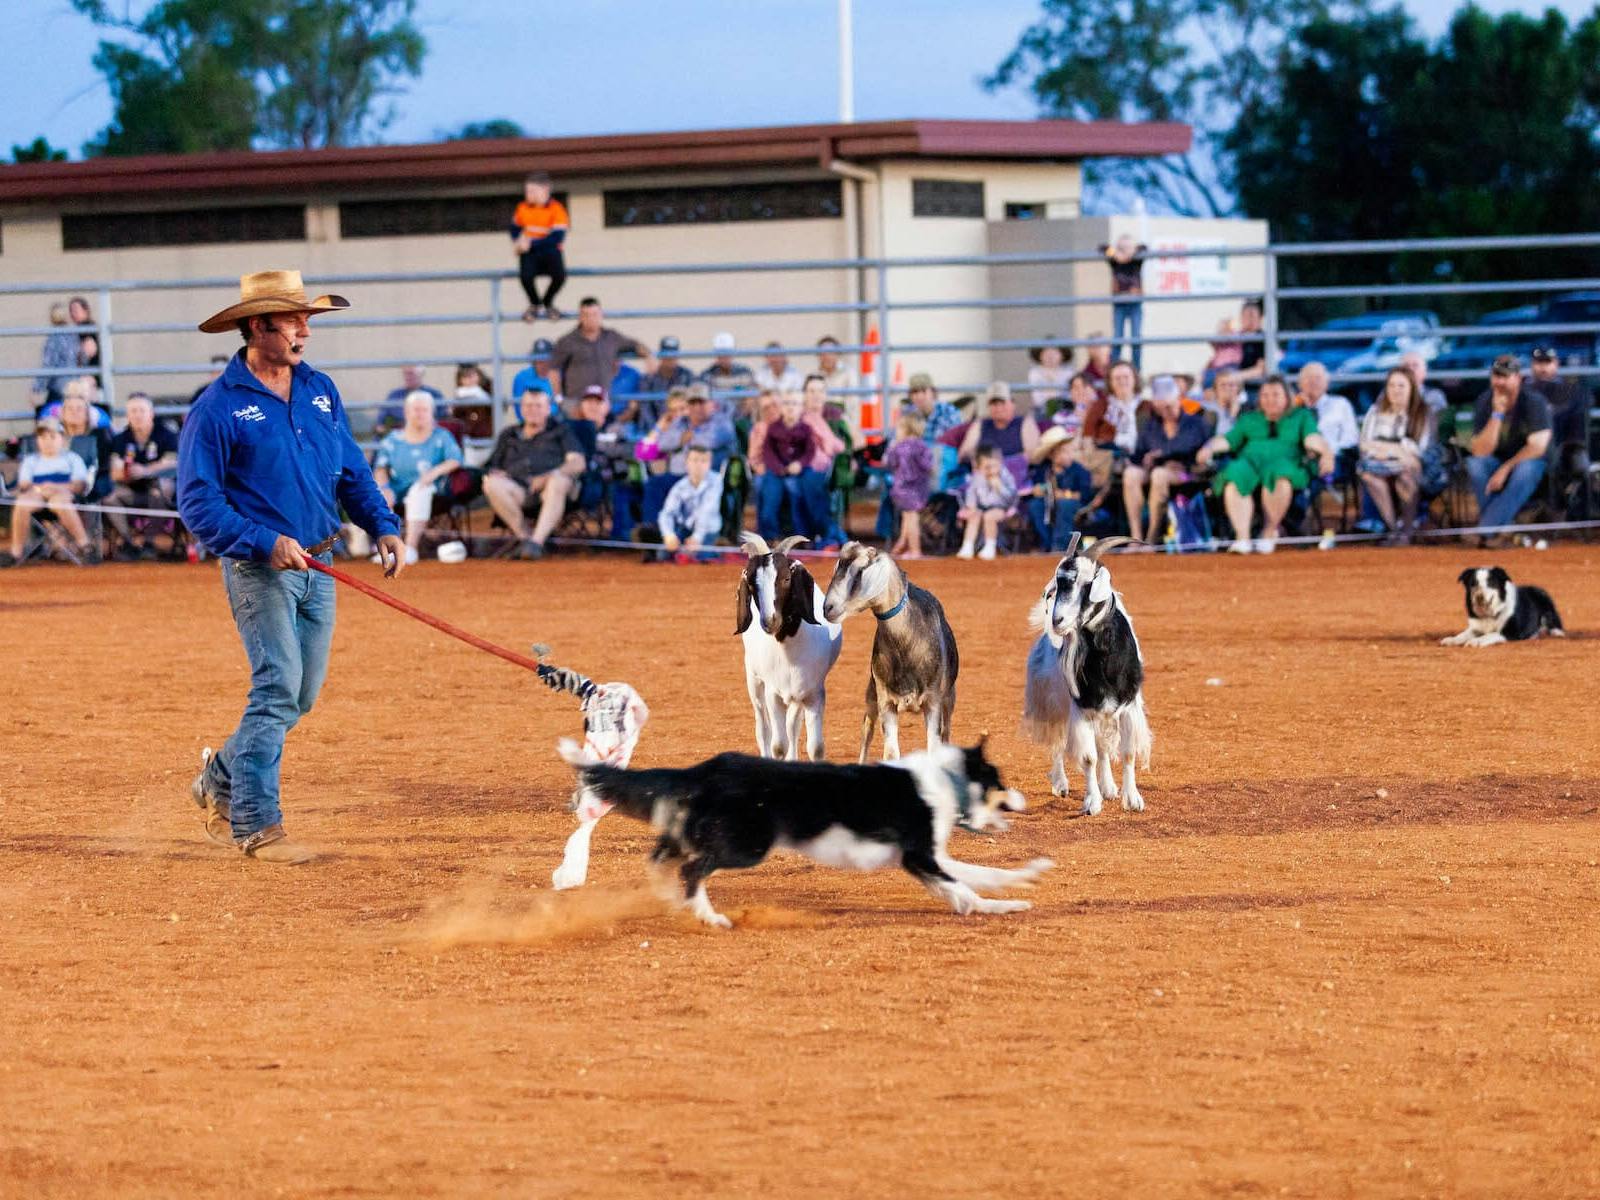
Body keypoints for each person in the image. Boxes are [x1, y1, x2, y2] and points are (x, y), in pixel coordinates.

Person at [178, 269, 406, 864]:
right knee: (279, 686)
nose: (305, 330)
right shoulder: (218, 408)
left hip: (321, 561)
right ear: (258, 325)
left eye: (308, 319)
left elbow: (350, 469)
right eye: (294, 320)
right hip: (261, 570)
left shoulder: (319, 389)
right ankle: (255, 823)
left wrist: (381, 523)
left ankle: (217, 780)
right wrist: (260, 540)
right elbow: (198, 504)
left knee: (298, 697)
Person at [1197, 374, 1333, 555]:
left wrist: (1326, 453)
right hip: (1251, 463)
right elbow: (1229, 440)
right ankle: (1242, 537)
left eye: (1276, 395)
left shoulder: (1301, 416)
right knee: (1236, 473)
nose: (1270, 400)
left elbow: (1312, 439)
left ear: (1286, 396)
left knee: (1279, 473)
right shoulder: (1249, 418)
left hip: (1286, 463)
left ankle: (1268, 532)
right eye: (1265, 395)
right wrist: (1208, 448)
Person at [481, 390, 585, 559]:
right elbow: (490, 466)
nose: (533, 410)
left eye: (538, 406)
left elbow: (578, 462)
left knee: (558, 481)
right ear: (521, 409)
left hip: (553, 491)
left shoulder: (561, 431)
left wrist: (549, 476)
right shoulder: (509, 434)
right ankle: (525, 539)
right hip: (519, 489)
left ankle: (537, 542)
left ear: (548, 409)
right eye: (528, 405)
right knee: (491, 483)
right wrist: (497, 473)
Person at [1466, 355, 1552, 545]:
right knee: (1475, 465)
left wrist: (1505, 469)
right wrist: (1497, 414)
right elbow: (1479, 451)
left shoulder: (1533, 401)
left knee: (1525, 469)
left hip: (1530, 462)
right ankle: (1502, 528)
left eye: (1506, 376)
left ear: (1518, 377)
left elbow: (1538, 446)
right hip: (1495, 462)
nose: (1500, 382)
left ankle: (1486, 530)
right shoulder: (1484, 401)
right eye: (1496, 376)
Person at [373, 390, 464, 565]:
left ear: (432, 413)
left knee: (419, 491)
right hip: (397, 489)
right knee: (379, 495)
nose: (420, 414)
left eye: (424, 410)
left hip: (431, 489)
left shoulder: (442, 436)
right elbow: (380, 468)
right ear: (407, 412)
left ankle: (410, 548)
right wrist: (384, 488)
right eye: (416, 409)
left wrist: (433, 473)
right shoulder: (392, 439)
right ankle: (390, 549)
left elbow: (455, 460)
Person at [1123, 376, 1207, 544]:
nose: (1166, 411)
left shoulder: (1195, 421)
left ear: (1178, 400)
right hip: (1154, 469)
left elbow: (1189, 448)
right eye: (1161, 408)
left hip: (1186, 473)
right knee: (1131, 474)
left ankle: (1152, 537)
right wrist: (1143, 459)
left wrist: (1160, 455)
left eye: (1169, 406)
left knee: (1159, 475)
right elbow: (1140, 451)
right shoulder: (1151, 424)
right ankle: (1136, 536)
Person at [1, 416, 94, 567]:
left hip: (64, 497)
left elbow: (79, 485)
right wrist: (42, 490)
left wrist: (58, 488)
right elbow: (24, 484)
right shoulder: (31, 461)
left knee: (59, 502)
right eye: (43, 437)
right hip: (37, 497)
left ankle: (85, 546)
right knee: (22, 503)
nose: (47, 441)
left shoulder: (72, 459)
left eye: (52, 436)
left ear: (62, 439)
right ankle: (16, 552)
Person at [643, 383, 737, 526]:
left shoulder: (722, 422)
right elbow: (661, 443)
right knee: (654, 483)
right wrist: (681, 439)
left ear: (711, 404)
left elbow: (708, 442)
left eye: (701, 402)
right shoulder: (680, 422)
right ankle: (653, 530)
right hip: (678, 476)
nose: (697, 407)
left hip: (709, 478)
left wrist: (686, 438)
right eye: (693, 403)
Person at [1357, 367, 1431, 544]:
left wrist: (1385, 448)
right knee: (1369, 476)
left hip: (1413, 468)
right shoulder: (1375, 412)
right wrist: (1397, 449)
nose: (1396, 390)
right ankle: (1393, 528)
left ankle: (1406, 530)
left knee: (1406, 476)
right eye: (1391, 385)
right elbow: (1364, 444)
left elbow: (1419, 450)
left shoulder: (1422, 413)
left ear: (1411, 388)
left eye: (1401, 385)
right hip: (1378, 467)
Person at [104, 391, 180, 560]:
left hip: (161, 492)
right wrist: (124, 474)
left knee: (160, 487)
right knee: (109, 497)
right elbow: (115, 468)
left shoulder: (167, 435)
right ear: (127, 415)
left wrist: (145, 471)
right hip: (132, 491)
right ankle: (129, 542)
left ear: (151, 414)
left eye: (141, 410)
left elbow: (171, 463)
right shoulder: (121, 439)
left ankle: (149, 543)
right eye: (133, 411)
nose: (137, 415)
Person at [549, 298, 654, 412]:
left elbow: (635, 345)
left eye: (594, 314)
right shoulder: (567, 341)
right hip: (575, 403)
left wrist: (649, 357)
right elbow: (553, 370)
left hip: (602, 402)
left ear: (601, 315)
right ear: (580, 317)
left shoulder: (612, 337)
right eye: (586, 315)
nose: (591, 319)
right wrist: (559, 399)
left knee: (606, 429)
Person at [635, 443, 723, 563]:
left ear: (710, 464)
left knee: (702, 557)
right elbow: (666, 513)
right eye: (695, 460)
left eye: (704, 461)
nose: (699, 465)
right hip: (684, 529)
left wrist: (696, 538)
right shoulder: (680, 486)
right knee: (663, 555)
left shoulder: (716, 481)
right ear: (687, 463)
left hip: (708, 531)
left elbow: (706, 512)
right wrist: (669, 535)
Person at [756, 391, 820, 542]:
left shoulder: (806, 429)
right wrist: (778, 468)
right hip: (776, 471)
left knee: (799, 496)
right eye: (786, 403)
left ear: (801, 408)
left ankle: (801, 537)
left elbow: (810, 451)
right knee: (770, 499)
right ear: (781, 407)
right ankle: (770, 536)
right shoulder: (773, 428)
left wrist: (800, 464)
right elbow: (768, 451)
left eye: (795, 404)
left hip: (799, 472)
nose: (790, 408)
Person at [510, 172, 570, 321]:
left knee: (560, 276)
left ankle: (548, 303)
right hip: (530, 253)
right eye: (527, 191)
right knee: (525, 277)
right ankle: (535, 304)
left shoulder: (556, 209)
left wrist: (530, 244)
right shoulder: (522, 207)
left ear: (545, 190)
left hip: (549, 251)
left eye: (531, 191)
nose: (527, 194)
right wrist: (518, 241)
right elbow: (514, 228)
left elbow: (557, 237)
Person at [1027, 426, 1095, 552]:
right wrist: (1038, 490)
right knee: (1035, 505)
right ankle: (1046, 542)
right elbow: (1036, 487)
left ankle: (1060, 546)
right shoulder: (1044, 470)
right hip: (1049, 504)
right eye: (1060, 451)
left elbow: (1086, 494)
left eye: (1066, 451)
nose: (1065, 455)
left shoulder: (1078, 470)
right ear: (1051, 455)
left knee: (1065, 505)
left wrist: (1065, 495)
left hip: (1073, 504)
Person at [959, 382, 1041, 476]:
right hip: (981, 476)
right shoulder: (980, 424)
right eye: (994, 404)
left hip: (1015, 476)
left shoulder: (1025, 423)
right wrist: (976, 461)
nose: (998, 408)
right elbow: (964, 452)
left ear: (1012, 403)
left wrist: (999, 466)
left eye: (1002, 403)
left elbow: (1033, 455)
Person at [883, 412, 933, 558]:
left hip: (901, 488)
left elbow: (890, 463)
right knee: (912, 517)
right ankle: (915, 550)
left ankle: (905, 546)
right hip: (916, 489)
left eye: (899, 428)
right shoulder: (922, 446)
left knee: (908, 517)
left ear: (906, 429)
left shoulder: (898, 447)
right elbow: (928, 465)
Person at [956, 445, 1018, 560]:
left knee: (990, 516)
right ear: (979, 467)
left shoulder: (1005, 476)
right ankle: (967, 546)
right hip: (981, 507)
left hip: (1001, 508)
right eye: (987, 467)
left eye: (994, 466)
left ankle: (990, 547)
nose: (991, 470)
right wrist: (971, 506)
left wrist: (999, 487)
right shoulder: (978, 477)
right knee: (974, 516)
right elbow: (971, 492)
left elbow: (1012, 497)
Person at [1100, 235, 1148, 369]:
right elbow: (1102, 248)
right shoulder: (1114, 261)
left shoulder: (1137, 261)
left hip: (1135, 303)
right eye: (1122, 247)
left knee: (1136, 337)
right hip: (1119, 303)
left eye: (1128, 247)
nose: (1125, 250)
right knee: (1117, 337)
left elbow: (1144, 247)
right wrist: (1115, 253)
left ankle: (1136, 370)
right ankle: (1114, 367)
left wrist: (1131, 253)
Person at [1296, 362, 1358, 456]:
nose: (1313, 382)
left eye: (1318, 378)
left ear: (1327, 382)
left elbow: (1350, 439)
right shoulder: (1293, 408)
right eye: (1308, 378)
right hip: (1300, 460)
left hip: (1334, 458)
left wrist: (1326, 452)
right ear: (1299, 384)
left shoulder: (1340, 404)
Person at [635, 335, 695, 425]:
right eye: (666, 353)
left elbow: (692, 405)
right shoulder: (649, 378)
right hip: (656, 427)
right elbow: (645, 408)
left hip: (682, 425)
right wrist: (657, 429)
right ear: (660, 354)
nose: (670, 357)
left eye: (673, 353)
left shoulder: (687, 376)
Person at [32, 302, 79, 407]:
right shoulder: (74, 336)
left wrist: (37, 388)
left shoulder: (54, 337)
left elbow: (48, 365)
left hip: (59, 389)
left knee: (49, 416)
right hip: (74, 387)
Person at [699, 331, 757, 411]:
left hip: (741, 418)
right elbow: (704, 402)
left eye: (727, 353)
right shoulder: (707, 376)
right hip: (716, 419)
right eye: (720, 353)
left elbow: (751, 398)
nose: (724, 357)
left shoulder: (745, 373)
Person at [900, 372, 963, 444]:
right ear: (910, 395)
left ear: (933, 392)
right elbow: (899, 440)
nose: (919, 396)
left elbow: (956, 440)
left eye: (923, 391)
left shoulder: (948, 411)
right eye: (915, 392)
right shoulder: (907, 413)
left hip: (943, 452)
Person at [379, 365, 444, 431]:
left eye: (410, 373)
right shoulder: (394, 395)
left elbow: (443, 421)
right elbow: (380, 423)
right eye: (405, 373)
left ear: (421, 375)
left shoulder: (435, 395)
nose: (407, 377)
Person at [1100, 361, 1142, 456]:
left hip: (1139, 455)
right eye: (1117, 378)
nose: (1122, 381)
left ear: (1135, 379)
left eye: (1126, 377)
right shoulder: (1101, 406)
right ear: (1110, 382)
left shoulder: (1147, 405)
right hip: (1110, 456)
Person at [509, 338, 557, 420]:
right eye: (538, 359)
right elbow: (519, 409)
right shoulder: (522, 377)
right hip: (530, 425)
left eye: (546, 359)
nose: (542, 363)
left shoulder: (560, 376)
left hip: (556, 426)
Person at [450, 362, 493, 439]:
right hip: (468, 438)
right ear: (460, 380)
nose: (469, 380)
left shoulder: (489, 388)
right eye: (465, 377)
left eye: (472, 375)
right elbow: (457, 417)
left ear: (479, 375)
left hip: (488, 436)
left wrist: (482, 396)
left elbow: (500, 408)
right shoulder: (460, 394)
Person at [1027, 340, 1072, 411]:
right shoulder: (1035, 373)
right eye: (1046, 353)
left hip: (1066, 409)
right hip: (1042, 410)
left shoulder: (1069, 372)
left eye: (1055, 352)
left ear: (1062, 356)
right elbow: (1037, 399)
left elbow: (1070, 397)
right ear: (1040, 356)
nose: (1050, 356)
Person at [1205, 367, 1246, 437]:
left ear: (1239, 389)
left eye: (1231, 385)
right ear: (1215, 389)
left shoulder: (1247, 411)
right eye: (1223, 385)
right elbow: (1222, 436)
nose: (1227, 389)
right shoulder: (1207, 409)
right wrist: (1232, 415)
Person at [1235, 299, 1267, 381]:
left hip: (1252, 385)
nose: (1249, 320)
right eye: (1246, 316)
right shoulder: (1235, 337)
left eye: (1252, 315)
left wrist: (1235, 377)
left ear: (1260, 318)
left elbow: (1260, 369)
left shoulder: (1263, 339)